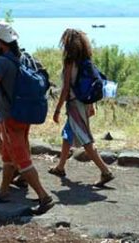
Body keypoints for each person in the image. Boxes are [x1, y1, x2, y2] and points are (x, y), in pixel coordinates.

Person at [0, 21, 55, 215]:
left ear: (0, 42)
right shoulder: (21, 57)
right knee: (8, 155)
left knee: (22, 159)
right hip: (23, 115)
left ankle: (44, 197)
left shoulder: (1, 63)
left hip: (12, 117)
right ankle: (3, 191)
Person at [49, 28, 114, 187]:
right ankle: (60, 167)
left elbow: (65, 89)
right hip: (82, 104)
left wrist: (57, 110)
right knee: (67, 135)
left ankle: (105, 171)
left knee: (85, 140)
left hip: (74, 105)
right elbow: (87, 85)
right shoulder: (86, 60)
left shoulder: (70, 61)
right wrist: (91, 106)